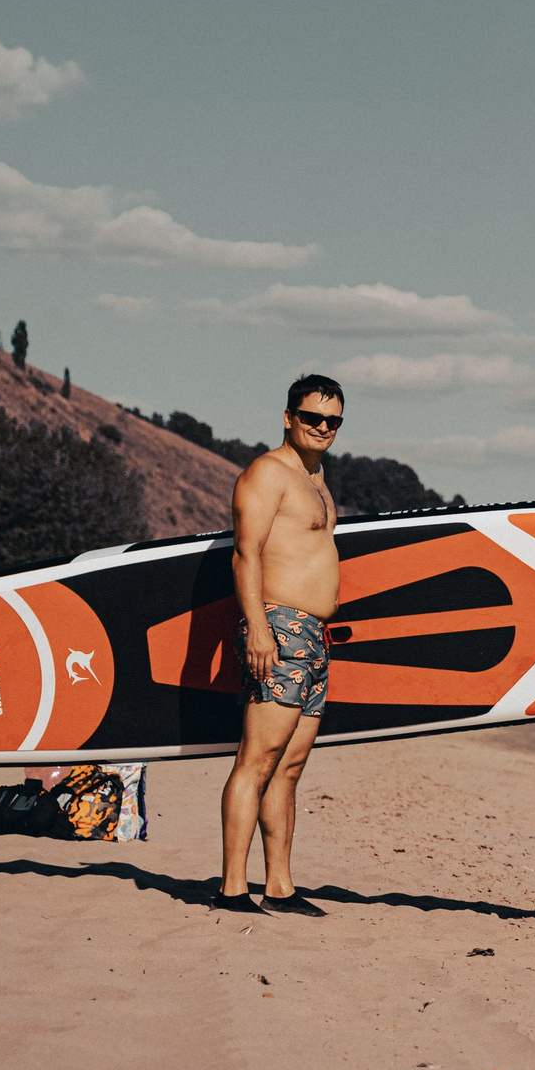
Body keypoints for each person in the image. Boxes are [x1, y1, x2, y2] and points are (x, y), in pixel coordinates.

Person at [216, 373, 345, 916]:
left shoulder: (316, 478)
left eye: (333, 420)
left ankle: (280, 886)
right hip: (280, 627)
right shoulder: (267, 473)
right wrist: (258, 628)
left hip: (313, 636)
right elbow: (245, 553)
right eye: (312, 417)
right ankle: (231, 888)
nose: (323, 427)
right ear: (288, 417)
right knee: (258, 759)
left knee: (289, 767)